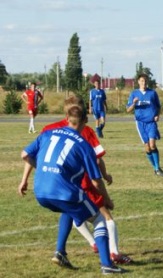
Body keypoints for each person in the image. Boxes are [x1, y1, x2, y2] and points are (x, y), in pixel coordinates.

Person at [18, 105, 123, 274]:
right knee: (99, 220)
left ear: (67, 119)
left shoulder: (47, 133)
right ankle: (107, 265)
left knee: (67, 208)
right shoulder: (83, 145)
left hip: (40, 192)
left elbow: (25, 154)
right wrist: (107, 199)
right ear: (85, 121)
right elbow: (96, 182)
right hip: (63, 192)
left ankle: (60, 252)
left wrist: (39, 172)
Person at [41, 95, 132, 265]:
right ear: (83, 114)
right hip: (84, 182)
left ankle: (85, 245)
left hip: (57, 183)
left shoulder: (49, 128)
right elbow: (97, 159)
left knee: (71, 213)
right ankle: (113, 254)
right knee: (105, 218)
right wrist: (105, 177)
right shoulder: (86, 130)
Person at [127, 73, 163, 177]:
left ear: (147, 82)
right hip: (140, 124)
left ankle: (158, 168)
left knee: (152, 145)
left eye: (145, 81)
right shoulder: (134, 94)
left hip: (151, 123)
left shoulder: (152, 93)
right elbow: (128, 110)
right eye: (141, 81)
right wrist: (134, 103)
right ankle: (155, 168)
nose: (143, 83)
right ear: (138, 82)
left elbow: (158, 107)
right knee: (147, 148)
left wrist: (157, 115)